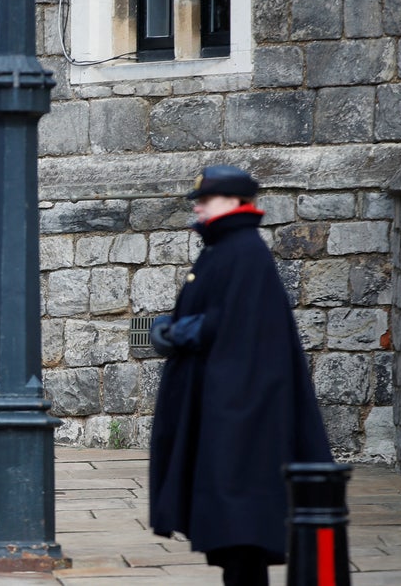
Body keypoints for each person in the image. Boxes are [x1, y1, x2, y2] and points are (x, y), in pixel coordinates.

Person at [148, 165, 334, 586]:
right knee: (232, 532)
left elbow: (230, 326)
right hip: (225, 409)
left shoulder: (242, 250)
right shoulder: (224, 247)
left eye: (206, 198)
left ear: (234, 203)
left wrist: (176, 331)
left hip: (240, 417)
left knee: (241, 528)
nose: (198, 205)